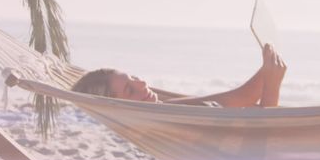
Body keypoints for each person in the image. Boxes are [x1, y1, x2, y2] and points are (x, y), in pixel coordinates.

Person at [71, 44, 287, 108]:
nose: (143, 84)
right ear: (116, 107)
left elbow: (241, 98)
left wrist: (267, 70)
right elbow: (265, 146)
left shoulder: (170, 108)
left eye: (134, 78)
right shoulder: (163, 121)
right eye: (129, 89)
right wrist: (272, 85)